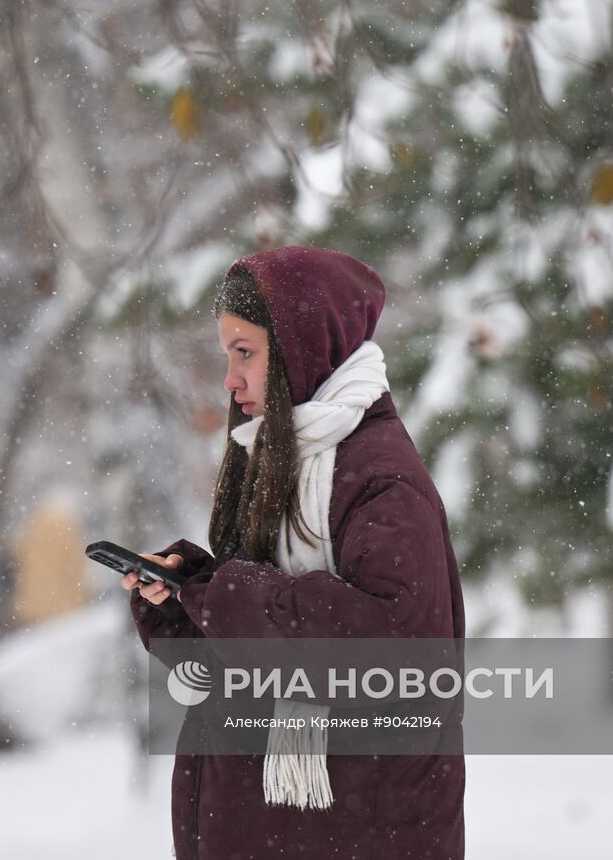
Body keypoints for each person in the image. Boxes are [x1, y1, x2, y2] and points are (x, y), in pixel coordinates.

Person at [122, 246, 465, 859]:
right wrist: (186, 599)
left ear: (302, 349)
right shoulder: (280, 459)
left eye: (245, 353)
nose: (231, 379)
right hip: (277, 828)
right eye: (227, 355)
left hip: (353, 832)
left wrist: (227, 596)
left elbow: (393, 653)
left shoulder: (381, 482)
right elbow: (256, 660)